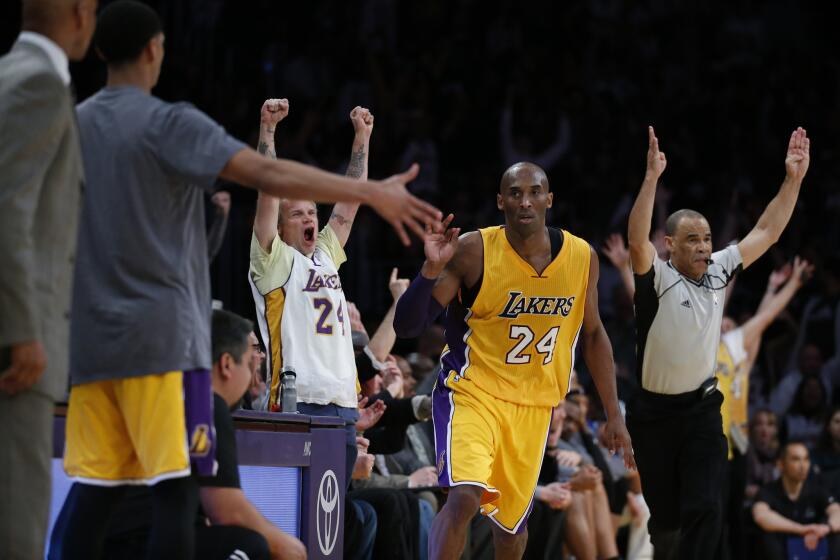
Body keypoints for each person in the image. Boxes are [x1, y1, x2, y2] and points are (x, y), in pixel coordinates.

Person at [54, 2, 437, 558]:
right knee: (176, 497)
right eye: (299, 213)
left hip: (95, 347)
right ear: (155, 50)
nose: (309, 218)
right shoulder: (170, 122)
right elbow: (266, 177)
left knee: (92, 493)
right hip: (169, 347)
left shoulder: (74, 123)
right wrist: (371, 189)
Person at [394, 161, 633, 559]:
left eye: (535, 192)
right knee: (465, 497)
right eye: (516, 193)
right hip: (473, 393)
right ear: (500, 201)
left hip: (534, 405)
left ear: (549, 199)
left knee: (511, 533)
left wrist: (614, 413)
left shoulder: (580, 257)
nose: (526, 201)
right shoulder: (474, 250)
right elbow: (408, 326)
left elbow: (592, 334)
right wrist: (430, 270)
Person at [626, 125, 811, 559]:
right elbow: (637, 239)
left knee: (708, 507)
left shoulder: (719, 269)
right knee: (667, 525)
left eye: (707, 239)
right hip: (653, 414)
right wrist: (651, 178)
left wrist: (793, 180)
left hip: (703, 409)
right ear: (669, 245)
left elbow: (767, 231)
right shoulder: (658, 278)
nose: (704, 247)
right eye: (693, 240)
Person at [0, 1, 97, 557]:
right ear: (82, 13)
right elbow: (8, 208)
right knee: (17, 524)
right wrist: (22, 330)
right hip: (20, 348)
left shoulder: (13, 73)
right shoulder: (39, 82)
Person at [92, 309, 306, 560]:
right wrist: (291, 547)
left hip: (106, 540)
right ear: (226, 364)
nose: (251, 380)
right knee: (252, 545)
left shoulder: (168, 397)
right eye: (250, 365)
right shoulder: (207, 405)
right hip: (136, 544)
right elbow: (228, 511)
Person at [249, 97, 374, 483]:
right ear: (282, 226)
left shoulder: (325, 255)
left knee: (334, 517)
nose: (307, 217)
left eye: (312, 213)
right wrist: (268, 130)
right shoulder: (274, 262)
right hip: (297, 399)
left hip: (342, 401)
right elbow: (267, 194)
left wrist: (362, 140)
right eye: (296, 213)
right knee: (297, 511)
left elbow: (351, 201)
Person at [752, 441, 840, 559]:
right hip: (782, 548)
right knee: (768, 535)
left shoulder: (817, 489)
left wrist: (825, 528)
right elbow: (761, 516)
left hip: (813, 545)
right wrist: (802, 530)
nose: (803, 465)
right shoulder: (768, 491)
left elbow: (837, 512)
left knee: (835, 532)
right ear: (781, 464)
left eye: (806, 459)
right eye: (795, 459)